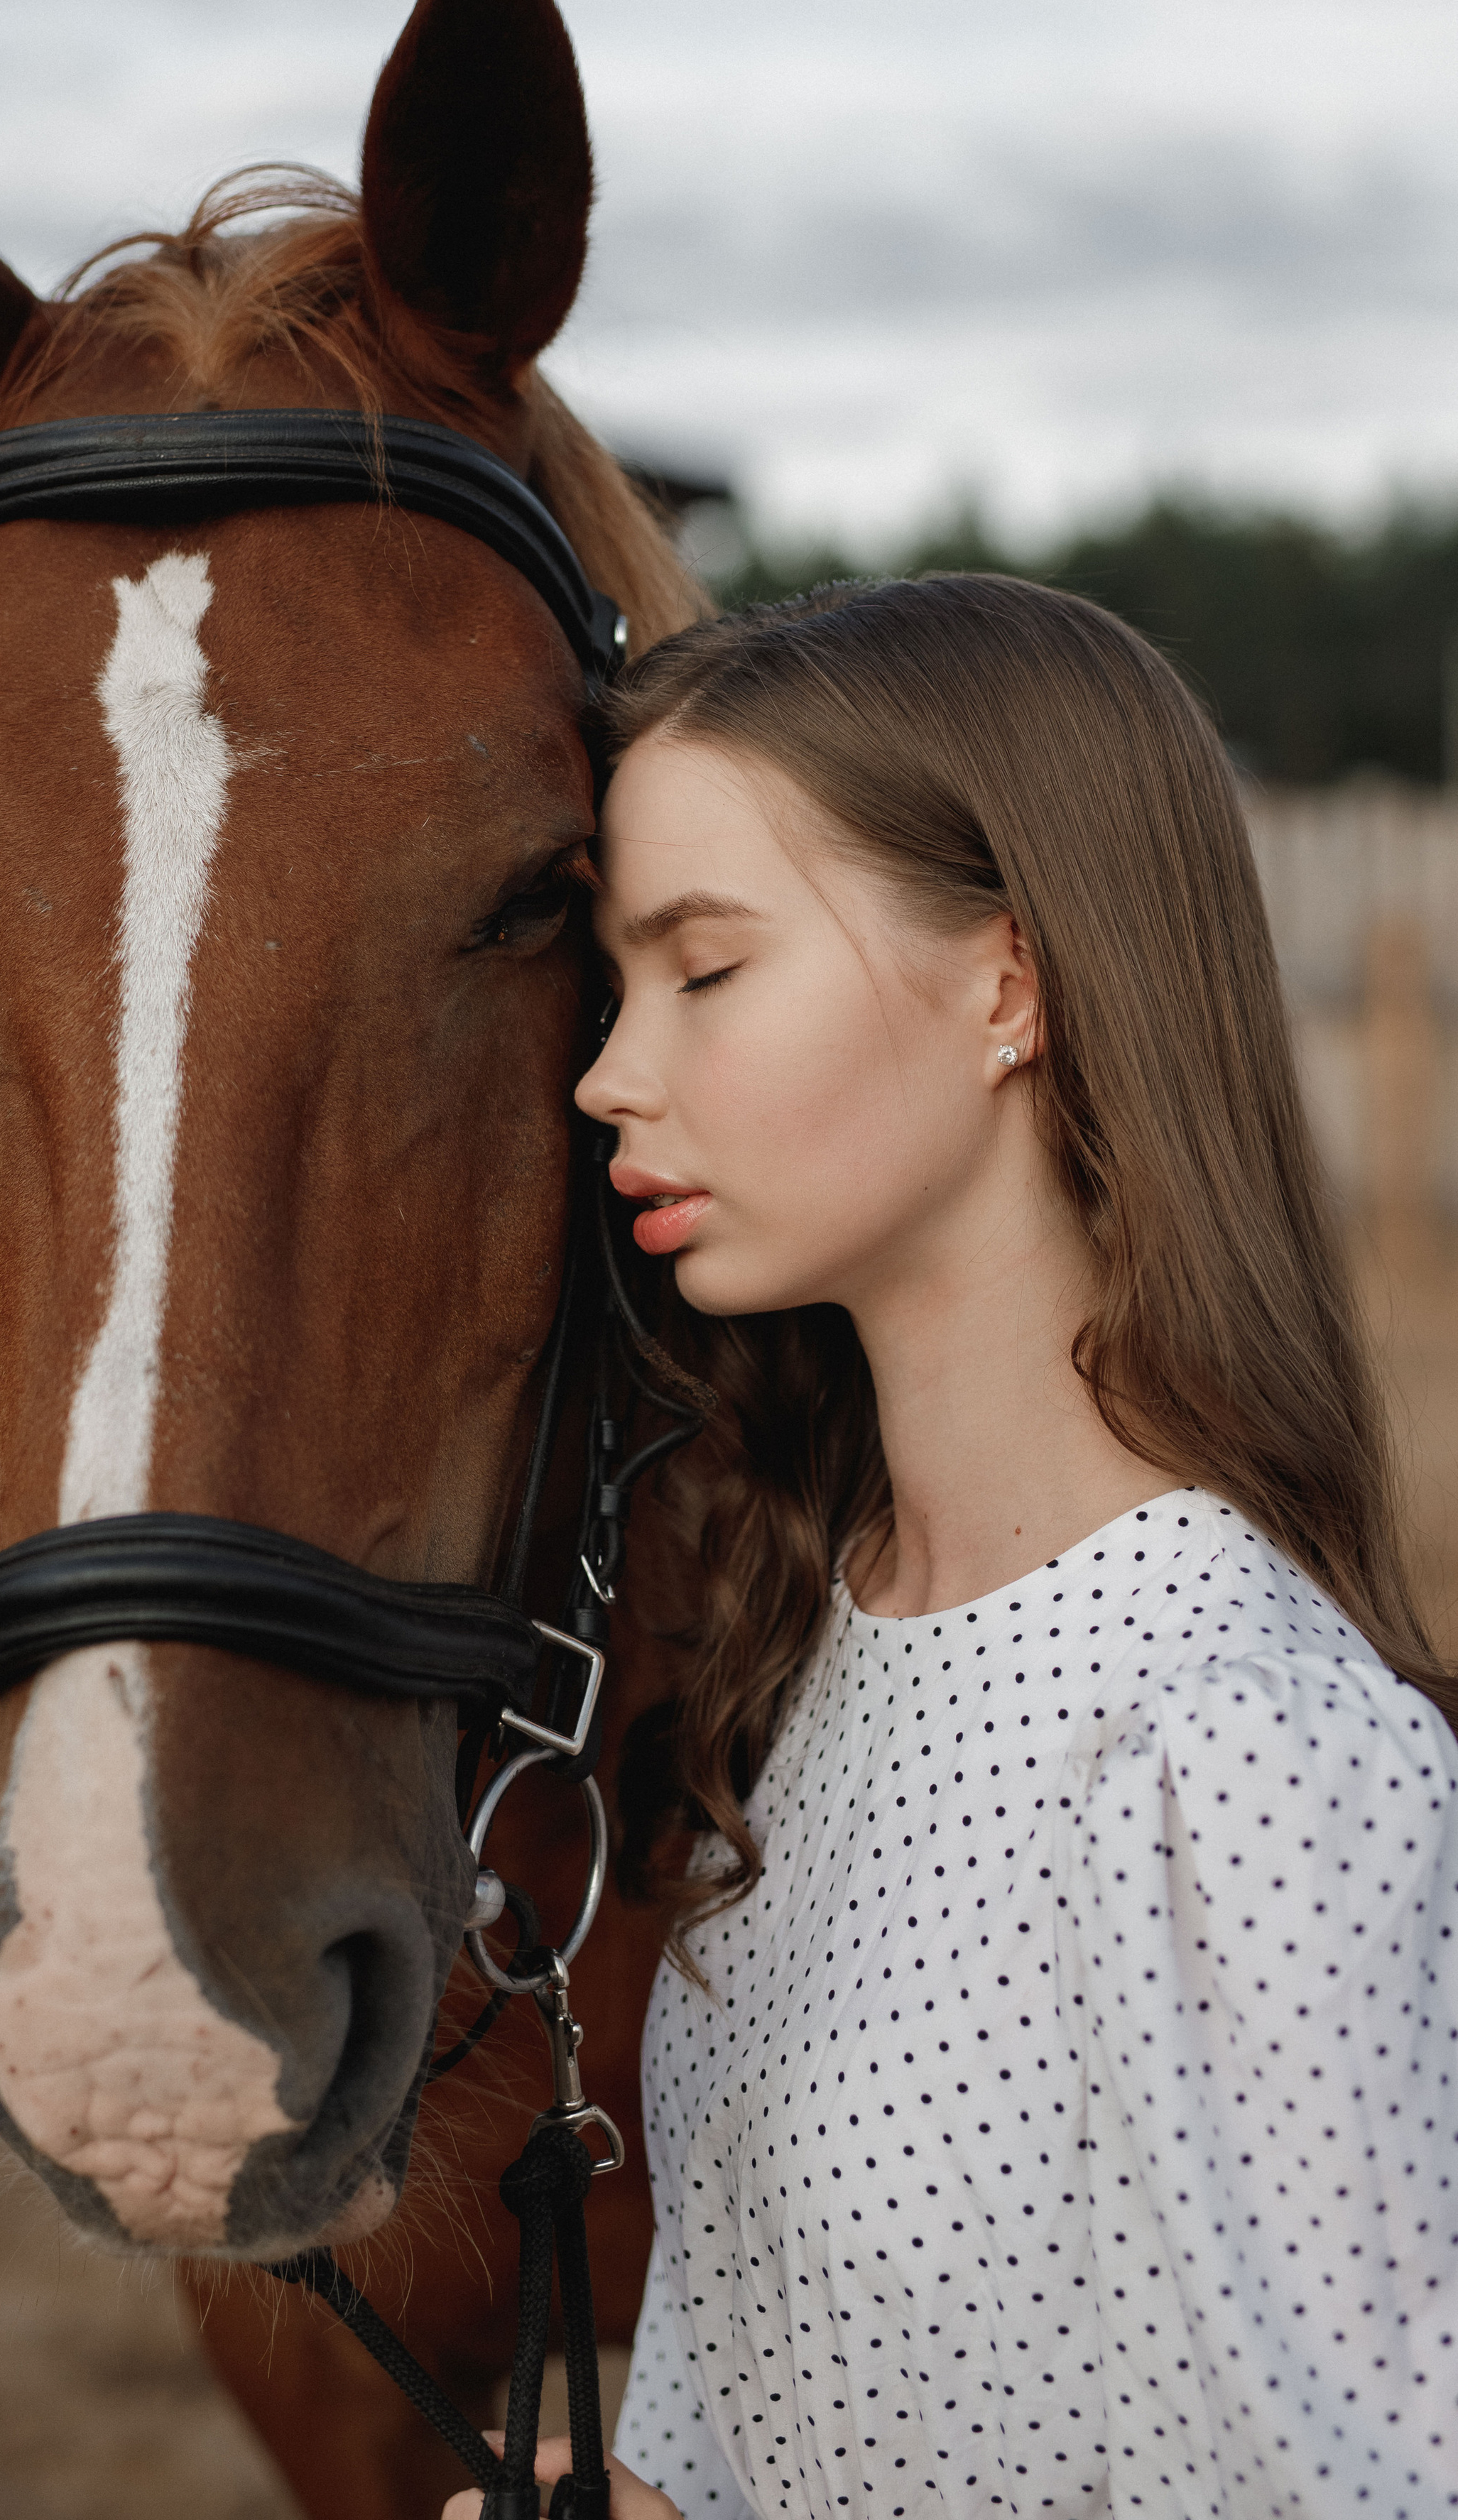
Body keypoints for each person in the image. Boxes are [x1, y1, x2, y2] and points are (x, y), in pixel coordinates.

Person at [446, 574, 1458, 2520]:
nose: (607, 1078)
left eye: (707, 970)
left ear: (1010, 983)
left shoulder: (1246, 1760)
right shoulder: (822, 1652)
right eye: (615, 985)